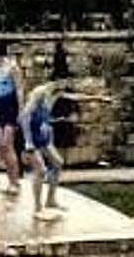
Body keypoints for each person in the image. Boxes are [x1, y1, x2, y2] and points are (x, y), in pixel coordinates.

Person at [21, 83, 111, 220]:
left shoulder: (52, 98)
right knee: (40, 171)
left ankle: (50, 200)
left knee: (57, 163)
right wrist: (28, 143)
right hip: (32, 142)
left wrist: (98, 98)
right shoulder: (35, 100)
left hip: (44, 140)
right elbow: (24, 121)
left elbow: (76, 97)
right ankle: (37, 209)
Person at [0, 40, 24, 194]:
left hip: (11, 106)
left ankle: (15, 182)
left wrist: (21, 111)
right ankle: (9, 180)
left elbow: (20, 89)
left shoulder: (13, 67)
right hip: (0, 106)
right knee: (1, 146)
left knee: (8, 145)